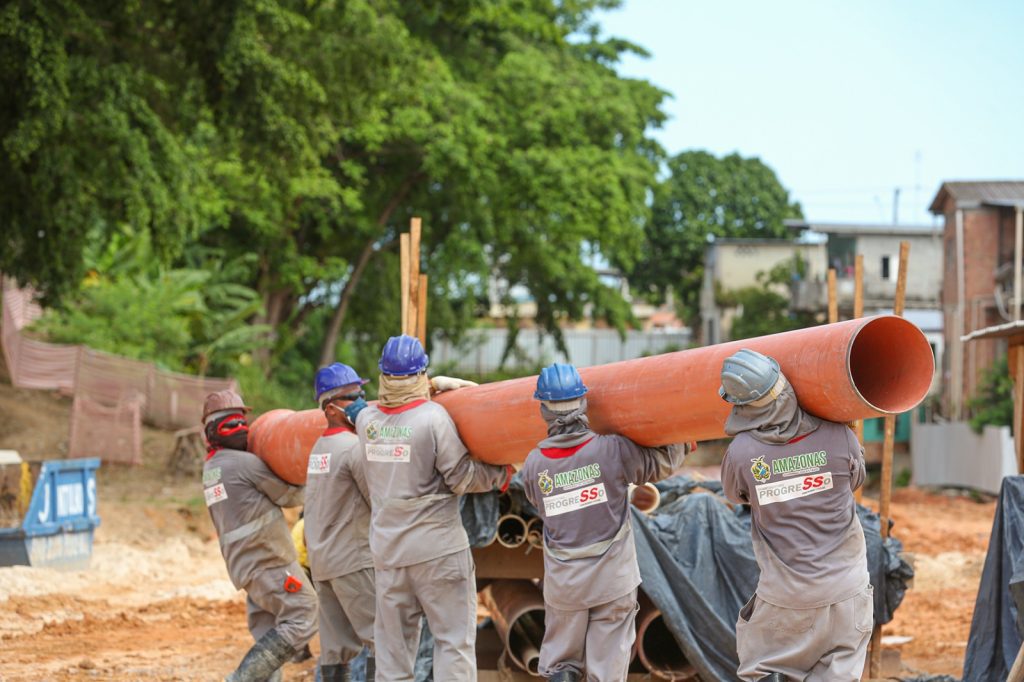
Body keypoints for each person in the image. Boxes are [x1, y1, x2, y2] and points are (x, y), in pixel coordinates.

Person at [355, 334, 513, 681]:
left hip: (389, 553)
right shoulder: (433, 417)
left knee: (393, 652)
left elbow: (368, 408)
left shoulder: (366, 422)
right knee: (452, 643)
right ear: (421, 374)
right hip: (437, 551)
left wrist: (431, 386)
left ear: (383, 373)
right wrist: (501, 475)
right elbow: (461, 477)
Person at [520, 363, 692, 682]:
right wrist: (681, 441)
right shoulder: (611, 450)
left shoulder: (533, 465)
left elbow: (536, 500)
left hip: (565, 584)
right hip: (612, 581)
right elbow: (661, 465)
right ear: (584, 404)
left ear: (543, 410)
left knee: (562, 664)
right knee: (608, 665)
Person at [719, 349, 872, 682]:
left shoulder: (742, 453)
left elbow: (736, 495)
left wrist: (778, 484)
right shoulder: (840, 436)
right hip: (848, 592)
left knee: (765, 670)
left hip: (788, 598)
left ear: (742, 405)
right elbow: (856, 480)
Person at [200, 389, 318, 682]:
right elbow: (289, 496)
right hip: (270, 561)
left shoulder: (212, 468)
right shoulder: (242, 463)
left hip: (247, 567)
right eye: (232, 424)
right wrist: (313, 473)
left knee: (267, 631)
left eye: (242, 422)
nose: (240, 429)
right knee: (305, 613)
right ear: (213, 433)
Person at [304, 362, 377, 681]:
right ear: (332, 408)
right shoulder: (353, 449)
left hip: (324, 564)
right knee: (384, 640)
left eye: (363, 394)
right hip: (354, 561)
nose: (362, 402)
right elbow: (379, 501)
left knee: (335, 651)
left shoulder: (318, 449)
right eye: (353, 397)